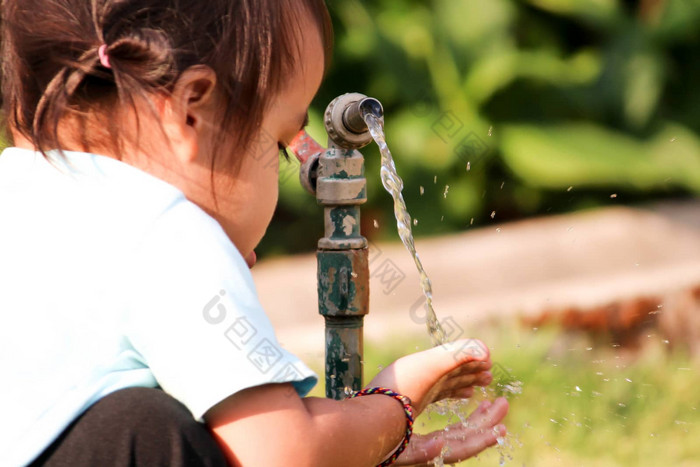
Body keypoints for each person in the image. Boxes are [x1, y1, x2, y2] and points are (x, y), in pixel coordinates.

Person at [0, 0, 509, 465]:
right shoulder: (170, 235)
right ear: (190, 110)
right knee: (147, 429)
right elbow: (287, 454)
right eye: (283, 143)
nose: (300, 165)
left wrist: (351, 446)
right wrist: (396, 404)